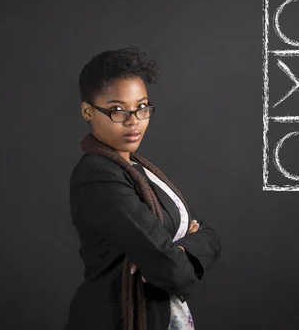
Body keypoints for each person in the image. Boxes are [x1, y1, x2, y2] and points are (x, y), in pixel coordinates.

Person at [64, 47, 221, 330]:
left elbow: (209, 235)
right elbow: (171, 270)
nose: (133, 120)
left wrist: (180, 251)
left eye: (142, 107)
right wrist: (177, 253)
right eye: (117, 110)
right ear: (87, 111)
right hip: (115, 321)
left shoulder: (138, 168)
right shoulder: (98, 175)